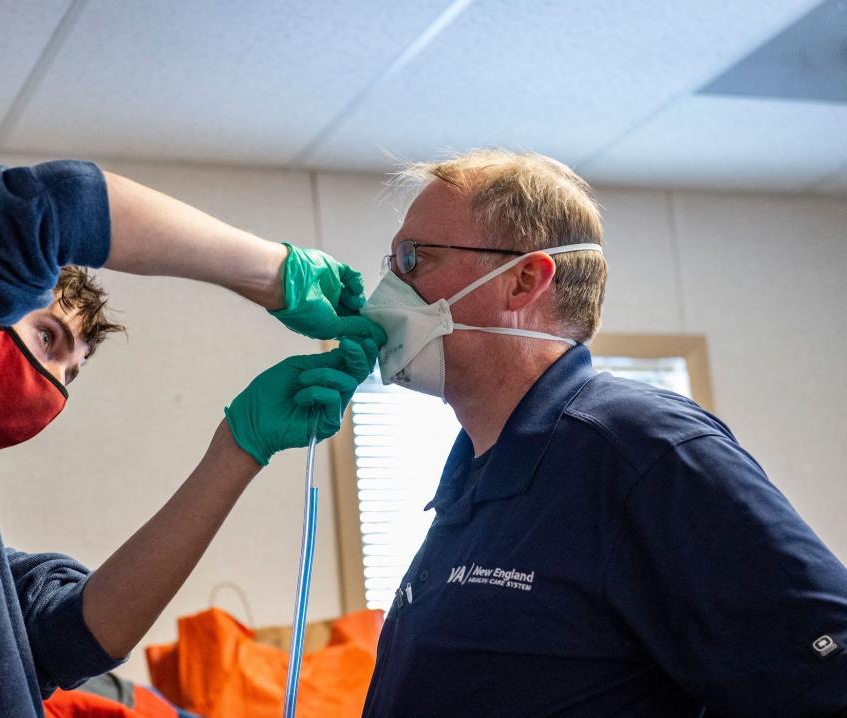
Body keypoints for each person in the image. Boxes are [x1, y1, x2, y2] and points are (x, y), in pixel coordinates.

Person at [357, 149, 847, 717]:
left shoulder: (641, 448)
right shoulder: (474, 477)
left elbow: (827, 672)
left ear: (523, 282)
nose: (386, 291)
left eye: (414, 259)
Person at [0, 160, 385, 717]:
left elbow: (83, 633)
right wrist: (273, 273)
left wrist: (239, 448)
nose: (50, 384)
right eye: (47, 337)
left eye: (70, 375)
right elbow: (51, 206)